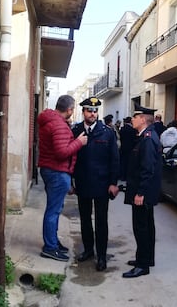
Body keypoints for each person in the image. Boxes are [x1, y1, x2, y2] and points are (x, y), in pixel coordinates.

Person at [37, 94, 88, 261]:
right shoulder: (58, 125)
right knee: (53, 210)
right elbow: (61, 152)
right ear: (69, 109)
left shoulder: (52, 121)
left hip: (51, 169)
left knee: (54, 209)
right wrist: (79, 142)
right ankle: (50, 247)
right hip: (56, 171)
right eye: (73, 109)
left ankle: (52, 242)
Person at [72, 97, 120, 271]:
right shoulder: (76, 130)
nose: (92, 114)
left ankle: (101, 256)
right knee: (85, 220)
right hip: (83, 183)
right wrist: (71, 181)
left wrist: (113, 183)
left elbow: (114, 160)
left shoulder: (107, 132)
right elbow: (71, 158)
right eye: (89, 110)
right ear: (83, 112)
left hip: (102, 184)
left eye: (94, 111)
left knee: (101, 222)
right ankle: (88, 250)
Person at [122, 103, 163, 278]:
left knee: (141, 227)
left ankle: (142, 265)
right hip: (146, 191)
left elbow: (147, 169)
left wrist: (140, 193)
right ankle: (147, 258)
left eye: (135, 116)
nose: (132, 119)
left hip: (142, 193)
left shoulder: (147, 139)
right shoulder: (147, 136)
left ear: (142, 119)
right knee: (148, 226)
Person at [119, 116, 137, 181]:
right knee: (129, 163)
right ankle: (127, 176)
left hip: (123, 148)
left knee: (123, 162)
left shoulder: (122, 129)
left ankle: (122, 176)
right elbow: (134, 139)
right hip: (130, 149)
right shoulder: (133, 130)